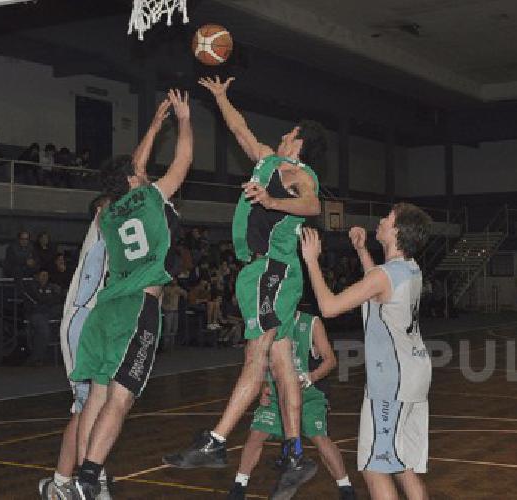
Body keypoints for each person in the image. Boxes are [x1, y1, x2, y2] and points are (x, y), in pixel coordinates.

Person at [163, 75, 327, 500]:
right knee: (281, 362)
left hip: (274, 270)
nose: (282, 133)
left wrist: (272, 202)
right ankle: (293, 453)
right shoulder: (268, 161)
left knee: (255, 356)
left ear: (300, 141)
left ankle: (216, 442)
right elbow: (240, 130)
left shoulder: (299, 174)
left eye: (290, 131)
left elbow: (312, 205)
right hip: (260, 271)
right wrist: (220, 97)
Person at [64, 89, 193, 500]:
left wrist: (155, 124)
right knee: (119, 401)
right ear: (132, 181)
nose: (145, 173)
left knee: (95, 399)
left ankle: (88, 480)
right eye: (140, 173)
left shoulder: (105, 214)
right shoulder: (152, 197)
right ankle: (88, 479)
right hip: (137, 307)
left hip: (104, 311)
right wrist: (184, 122)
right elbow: (183, 162)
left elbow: (133, 166)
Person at [299, 204, 434, 500]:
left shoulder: (385, 276)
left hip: (391, 383)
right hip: (414, 374)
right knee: (402, 464)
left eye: (388, 218)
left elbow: (329, 307)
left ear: (396, 231)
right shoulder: (410, 268)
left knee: (375, 467)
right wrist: (361, 249)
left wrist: (311, 260)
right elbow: (379, 285)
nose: (381, 221)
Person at [227, 311, 356, 499]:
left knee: (319, 438)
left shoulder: (311, 323)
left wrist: (310, 377)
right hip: (276, 390)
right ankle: (239, 487)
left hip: (309, 392)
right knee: (256, 434)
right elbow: (255, 360)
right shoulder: (266, 322)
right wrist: (263, 386)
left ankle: (346, 488)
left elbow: (331, 360)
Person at [37, 195, 112, 500]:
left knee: (84, 410)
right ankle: (93, 484)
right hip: (83, 325)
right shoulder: (101, 228)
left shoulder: (120, 236)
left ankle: (60, 484)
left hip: (97, 327)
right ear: (99, 210)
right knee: (95, 407)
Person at [23, 269, 65, 365]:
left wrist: (48, 300)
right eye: (42, 275)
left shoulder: (53, 287)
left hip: (49, 312)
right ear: (37, 276)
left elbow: (58, 299)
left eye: (46, 275)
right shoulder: (31, 287)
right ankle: (36, 358)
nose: (45, 278)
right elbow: (38, 300)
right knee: (43, 329)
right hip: (36, 314)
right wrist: (47, 300)